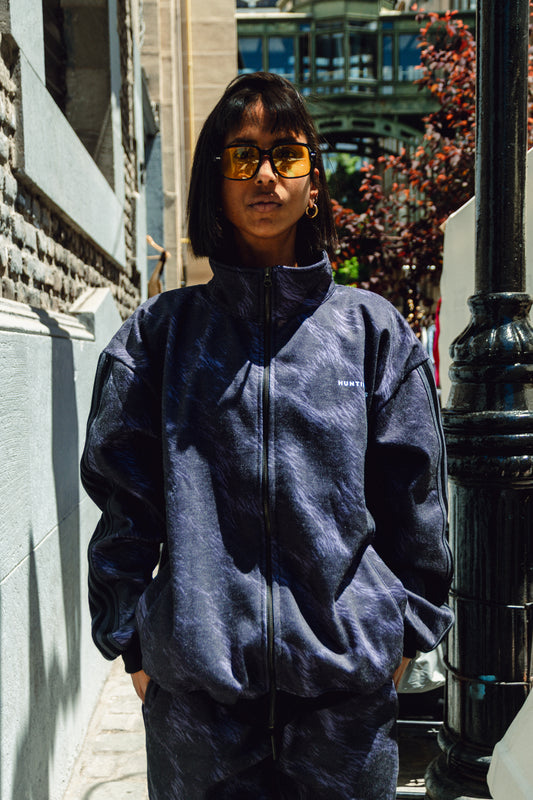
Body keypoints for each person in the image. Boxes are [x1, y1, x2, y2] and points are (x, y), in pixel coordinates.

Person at [81, 71, 453, 800]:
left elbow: (418, 507)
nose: (264, 175)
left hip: (343, 713)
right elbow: (124, 505)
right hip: (199, 717)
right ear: (213, 182)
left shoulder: (372, 333)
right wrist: (135, 645)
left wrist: (401, 639)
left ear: (312, 184)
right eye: (242, 154)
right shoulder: (159, 338)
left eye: (286, 154)